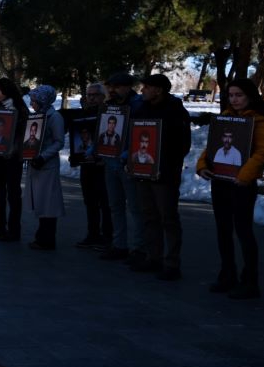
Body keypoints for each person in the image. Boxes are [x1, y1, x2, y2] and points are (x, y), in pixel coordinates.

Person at [197, 79, 264, 298]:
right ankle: (227, 275)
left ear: (250, 95)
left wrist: (244, 176)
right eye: (230, 95)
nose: (234, 99)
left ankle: (250, 282)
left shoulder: (261, 120)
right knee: (223, 230)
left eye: (239, 95)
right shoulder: (225, 117)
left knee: (244, 231)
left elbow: (263, 151)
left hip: (242, 184)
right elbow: (212, 146)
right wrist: (202, 166)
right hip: (220, 181)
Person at [132, 74, 192, 280]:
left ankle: (172, 263)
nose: (142, 91)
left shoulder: (175, 111)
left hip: (165, 175)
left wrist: (164, 165)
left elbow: (182, 145)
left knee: (168, 218)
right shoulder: (142, 109)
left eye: (147, 87)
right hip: (143, 172)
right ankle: (153, 257)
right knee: (149, 216)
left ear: (158, 90)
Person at [99, 73, 145, 262]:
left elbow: (143, 133)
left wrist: (128, 153)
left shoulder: (138, 105)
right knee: (115, 206)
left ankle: (139, 248)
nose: (112, 90)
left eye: (116, 87)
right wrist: (96, 148)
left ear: (127, 87)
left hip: (128, 164)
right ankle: (119, 245)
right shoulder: (109, 105)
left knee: (135, 208)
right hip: (110, 162)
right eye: (110, 87)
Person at [0, 78, 28, 242]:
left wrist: (15, 149)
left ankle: (14, 229)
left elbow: (23, 132)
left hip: (13, 157)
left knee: (13, 193)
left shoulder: (19, 107)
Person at [72, 83, 113, 250]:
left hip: (103, 165)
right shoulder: (84, 113)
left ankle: (108, 236)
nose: (91, 98)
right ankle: (93, 234)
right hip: (87, 165)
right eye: (88, 95)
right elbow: (77, 137)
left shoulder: (109, 113)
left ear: (103, 96)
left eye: (95, 95)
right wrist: (76, 155)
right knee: (90, 201)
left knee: (105, 202)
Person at [25, 85, 65, 250]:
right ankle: (42, 236)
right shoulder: (37, 116)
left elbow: (59, 142)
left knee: (49, 203)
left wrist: (43, 156)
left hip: (47, 165)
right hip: (36, 164)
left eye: (34, 101)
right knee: (40, 202)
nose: (31, 103)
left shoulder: (54, 117)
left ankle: (47, 238)